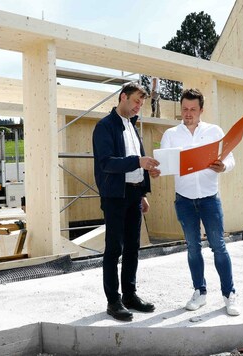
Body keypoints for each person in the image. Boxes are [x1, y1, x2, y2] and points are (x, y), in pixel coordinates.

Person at [159, 88, 240, 316]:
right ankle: (200, 292)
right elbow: (164, 164)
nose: (188, 113)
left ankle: (229, 294)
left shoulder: (214, 131)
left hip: (209, 199)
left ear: (201, 110)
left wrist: (223, 166)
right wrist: (158, 170)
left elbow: (230, 159)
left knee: (219, 247)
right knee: (193, 248)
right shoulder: (171, 134)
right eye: (185, 109)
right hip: (184, 201)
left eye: (193, 109)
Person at [93, 82, 161, 321]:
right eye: (135, 102)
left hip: (133, 195)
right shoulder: (104, 127)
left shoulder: (132, 127)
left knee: (133, 247)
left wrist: (143, 191)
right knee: (114, 249)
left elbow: (136, 164)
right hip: (114, 196)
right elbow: (107, 163)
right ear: (123, 97)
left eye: (141, 104)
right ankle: (114, 301)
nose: (138, 107)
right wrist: (138, 162)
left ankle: (130, 296)